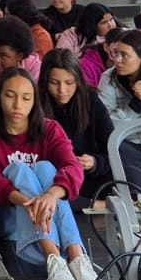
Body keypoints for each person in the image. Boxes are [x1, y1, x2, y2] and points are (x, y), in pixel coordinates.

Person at [0, 68, 99, 280]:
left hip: (49, 215)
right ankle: (52, 255)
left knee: (46, 167)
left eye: (26, 98)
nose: (17, 105)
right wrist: (26, 201)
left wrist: (50, 195)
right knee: (19, 169)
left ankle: (76, 257)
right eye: (10, 96)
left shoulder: (50, 128)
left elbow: (72, 167)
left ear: (35, 101)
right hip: (10, 217)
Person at [38, 51, 115, 209]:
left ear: (78, 80)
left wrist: (94, 163)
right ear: (45, 81)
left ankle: (82, 204)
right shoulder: (36, 103)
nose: (62, 90)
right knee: (43, 182)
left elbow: (112, 149)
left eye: (69, 83)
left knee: (132, 173)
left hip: (88, 177)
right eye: (54, 83)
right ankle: (97, 205)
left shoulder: (91, 101)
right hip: (56, 177)